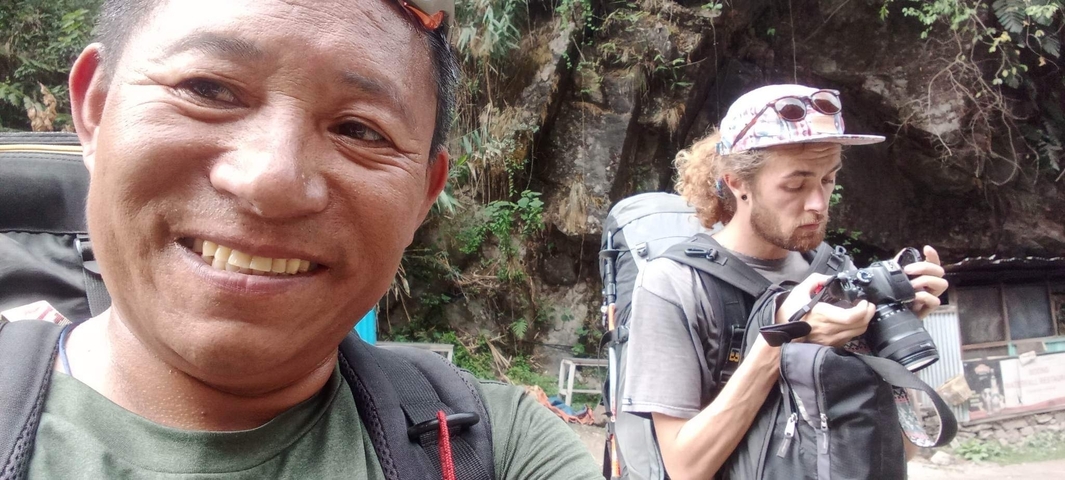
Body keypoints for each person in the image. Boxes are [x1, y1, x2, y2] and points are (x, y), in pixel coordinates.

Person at [16, 0, 601, 477]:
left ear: (424, 195)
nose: (272, 181)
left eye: (358, 129)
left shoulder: (496, 449)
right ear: (95, 108)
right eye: (209, 89)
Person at [620, 84, 949, 479]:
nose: (818, 204)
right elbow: (684, 468)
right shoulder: (675, 284)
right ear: (736, 182)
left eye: (828, 180)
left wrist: (896, 331)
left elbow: (897, 450)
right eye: (795, 185)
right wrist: (782, 342)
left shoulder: (835, 274)